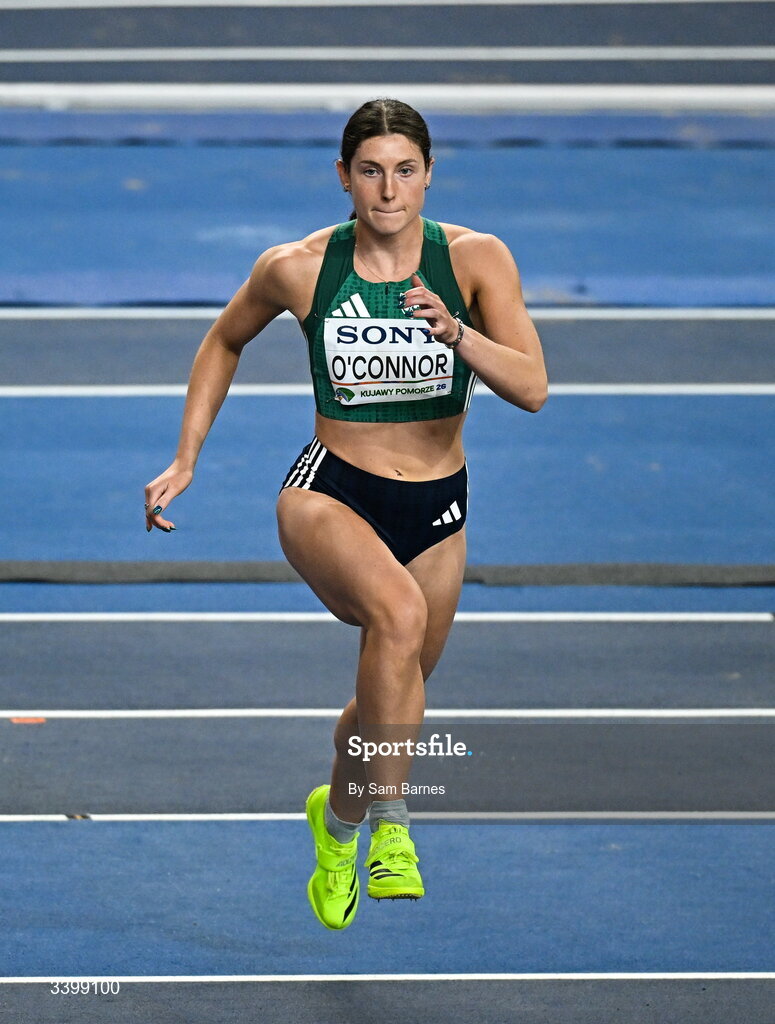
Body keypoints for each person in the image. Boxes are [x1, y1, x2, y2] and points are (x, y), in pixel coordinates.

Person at [144, 98, 547, 931]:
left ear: (428, 174)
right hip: (330, 489)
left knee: (389, 701)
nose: (388, 190)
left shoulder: (475, 261)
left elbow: (532, 387)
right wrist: (187, 456)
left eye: (404, 170)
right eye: (370, 170)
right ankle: (394, 832)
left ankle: (337, 823)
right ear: (343, 177)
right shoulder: (296, 268)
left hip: (436, 508)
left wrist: (456, 333)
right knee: (394, 618)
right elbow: (224, 340)